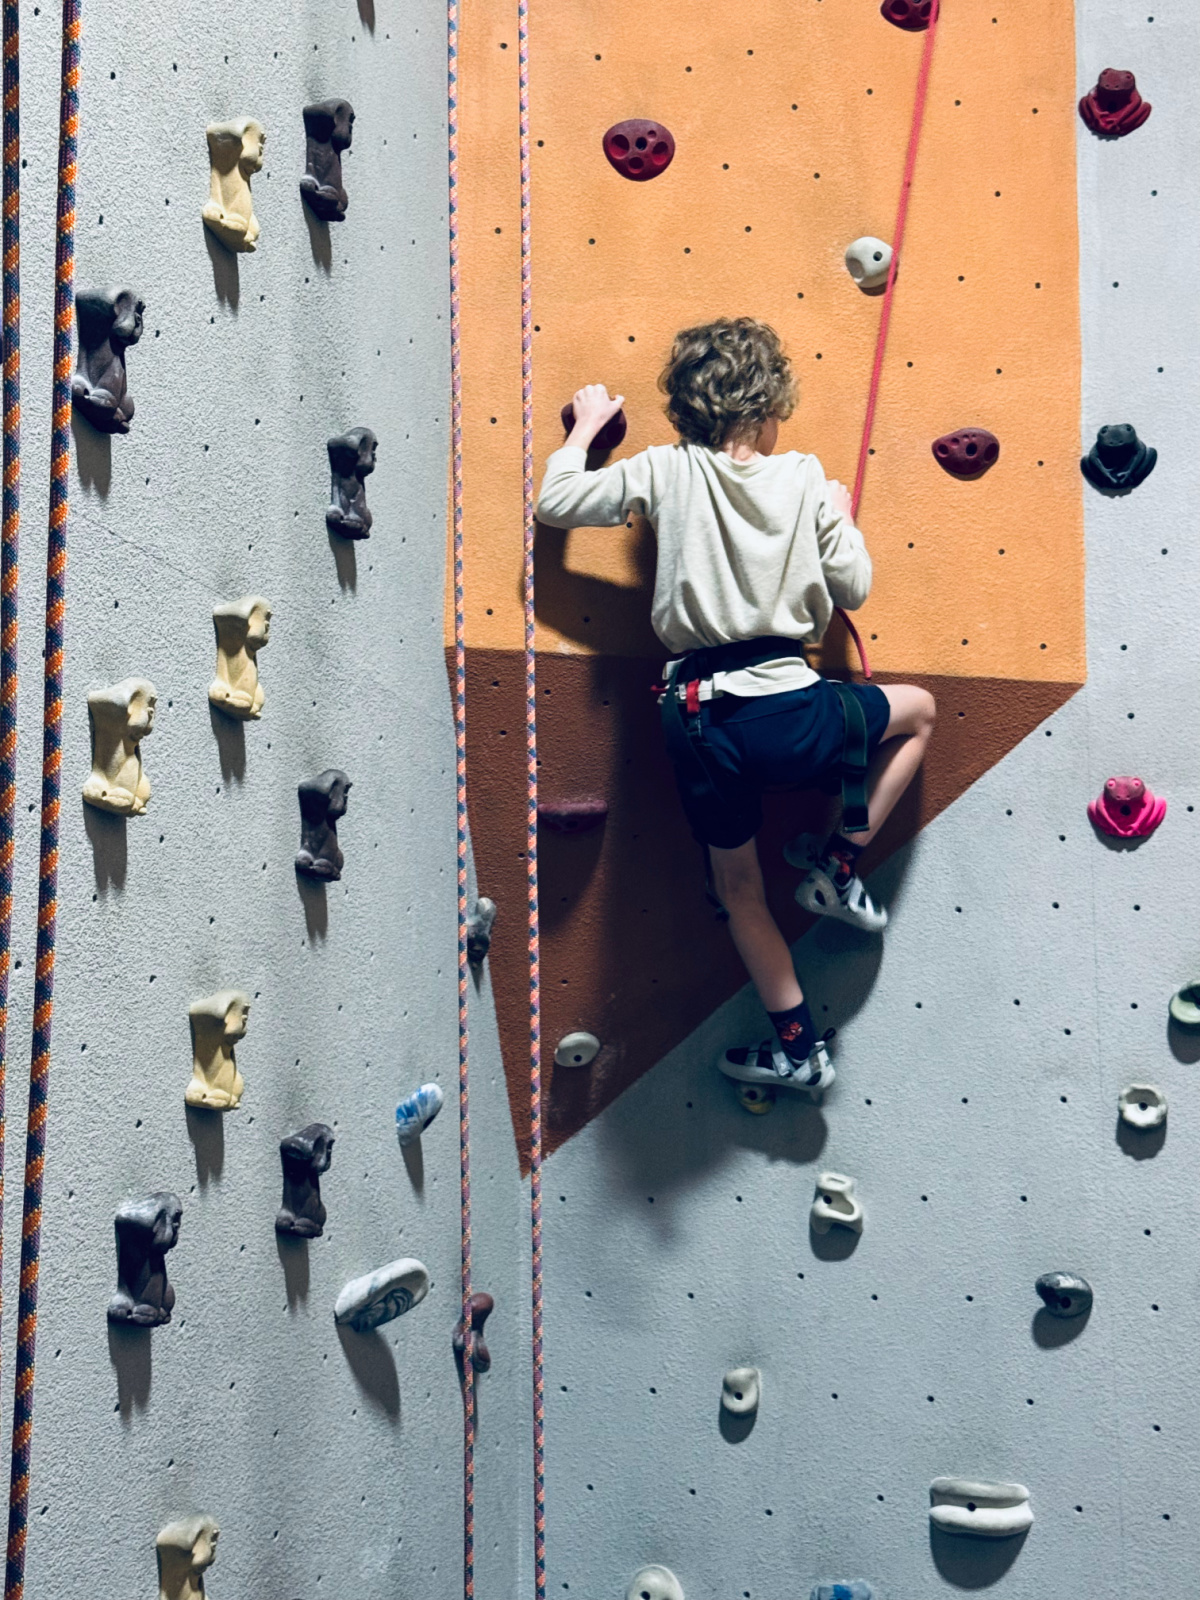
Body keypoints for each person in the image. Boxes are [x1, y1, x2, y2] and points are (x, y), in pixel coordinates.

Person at [536, 317, 935, 1095]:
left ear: (687, 405)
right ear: (769, 401)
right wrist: (838, 515)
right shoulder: (806, 479)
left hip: (697, 718)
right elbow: (853, 589)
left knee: (739, 889)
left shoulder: (667, 469)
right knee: (916, 711)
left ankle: (797, 1047)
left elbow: (557, 502)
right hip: (791, 709)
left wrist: (584, 430)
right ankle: (838, 862)